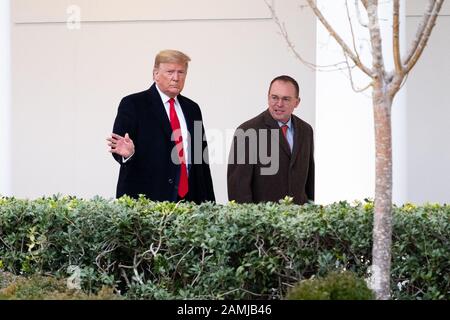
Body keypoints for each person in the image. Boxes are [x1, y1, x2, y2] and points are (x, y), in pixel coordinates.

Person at [107, 49, 215, 203]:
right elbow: (119, 146)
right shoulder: (133, 104)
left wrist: (209, 204)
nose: (176, 78)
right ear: (155, 74)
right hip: (148, 200)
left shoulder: (193, 109)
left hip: (190, 201)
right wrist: (128, 155)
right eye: (170, 72)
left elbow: (201, 161)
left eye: (181, 72)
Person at [227, 75, 314, 205]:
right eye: (274, 97)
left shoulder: (306, 130)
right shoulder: (247, 131)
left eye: (286, 99)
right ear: (268, 98)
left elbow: (309, 177)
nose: (279, 104)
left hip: (300, 219)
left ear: (297, 102)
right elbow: (238, 188)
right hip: (265, 220)